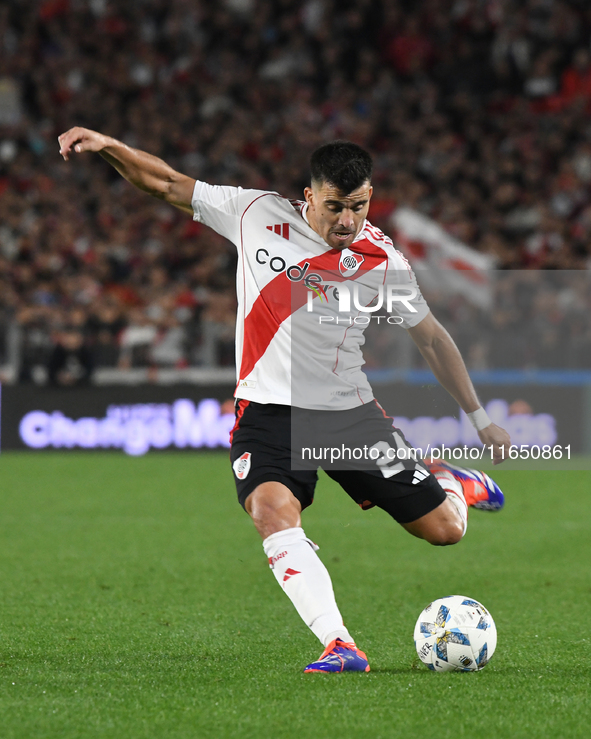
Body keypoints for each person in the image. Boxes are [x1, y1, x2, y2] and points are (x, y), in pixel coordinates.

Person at [58, 128, 511, 673]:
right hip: (267, 411)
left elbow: (432, 339)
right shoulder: (255, 215)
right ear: (309, 196)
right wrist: (108, 145)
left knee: (445, 532)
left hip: (349, 416)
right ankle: (340, 643)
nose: (348, 221)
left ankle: (449, 481)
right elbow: (166, 183)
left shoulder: (382, 262)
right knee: (271, 511)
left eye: (360, 206)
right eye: (336, 207)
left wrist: (482, 419)